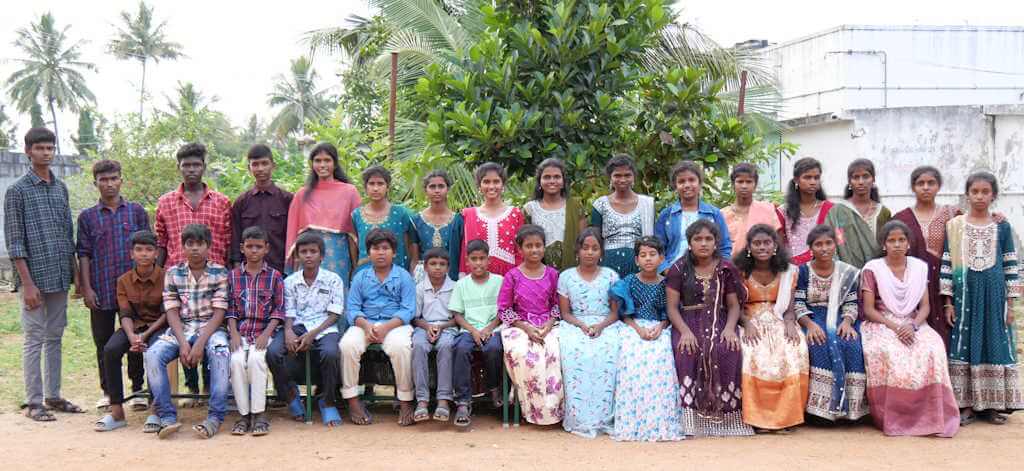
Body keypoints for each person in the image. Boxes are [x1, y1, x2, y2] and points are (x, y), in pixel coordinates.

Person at [4, 127, 82, 421]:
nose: (46, 153)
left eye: (50, 148)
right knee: (34, 337)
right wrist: (27, 283)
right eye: (40, 148)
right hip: (33, 279)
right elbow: (15, 242)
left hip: (59, 274)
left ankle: (54, 395)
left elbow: (67, 233)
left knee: (55, 337)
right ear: (28, 151)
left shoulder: (60, 188)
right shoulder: (17, 191)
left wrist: (74, 275)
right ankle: (34, 402)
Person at [860, 220, 959, 437]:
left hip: (914, 322)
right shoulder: (872, 269)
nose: (896, 244)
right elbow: (868, 310)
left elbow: (925, 307)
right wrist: (896, 327)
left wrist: (913, 326)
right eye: (891, 240)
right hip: (882, 322)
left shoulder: (918, 267)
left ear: (908, 243)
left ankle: (931, 415)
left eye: (901, 240)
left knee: (932, 347)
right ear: (883, 244)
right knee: (890, 352)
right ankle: (895, 417)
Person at [940, 172, 1023, 425]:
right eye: (974, 191)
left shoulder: (1002, 226)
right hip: (965, 297)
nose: (979, 196)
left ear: (993, 195)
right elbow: (947, 263)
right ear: (967, 194)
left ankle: (993, 404)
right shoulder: (954, 226)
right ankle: (966, 405)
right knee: (964, 346)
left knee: (994, 343)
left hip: (994, 296)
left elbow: (1011, 265)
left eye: (985, 192)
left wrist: (1010, 305)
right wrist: (948, 302)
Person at [154, 142, 232, 401]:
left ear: (204, 167)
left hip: (213, 278)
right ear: (179, 167)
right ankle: (191, 389)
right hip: (178, 281)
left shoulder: (221, 202)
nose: (191, 170)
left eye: (196, 165)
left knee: (211, 332)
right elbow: (161, 241)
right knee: (183, 330)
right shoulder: (165, 202)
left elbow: (228, 240)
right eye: (186, 165)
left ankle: (211, 389)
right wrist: (158, 275)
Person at [665, 219, 753, 437]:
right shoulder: (678, 268)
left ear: (716, 243)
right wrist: (684, 331)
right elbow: (672, 307)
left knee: (727, 349)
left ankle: (727, 420)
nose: (703, 243)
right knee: (687, 350)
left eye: (708, 239)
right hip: (687, 320)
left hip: (721, 318)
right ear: (689, 243)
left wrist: (731, 328)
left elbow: (733, 305)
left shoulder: (726, 268)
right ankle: (691, 422)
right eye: (698, 239)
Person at [144, 224, 230, 439]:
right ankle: (167, 417)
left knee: (221, 354)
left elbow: (219, 313)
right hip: (181, 329)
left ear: (208, 246)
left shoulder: (220, 272)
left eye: (199, 244)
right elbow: (171, 311)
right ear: (182, 247)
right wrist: (183, 343)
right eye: (189, 244)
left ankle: (215, 417)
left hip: (211, 329)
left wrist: (199, 343)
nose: (194, 249)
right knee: (153, 355)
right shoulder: (173, 273)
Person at [76, 159, 150, 411]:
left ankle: (138, 388)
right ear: (95, 183)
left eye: (113, 178)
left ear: (121, 180)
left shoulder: (136, 211)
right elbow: (84, 254)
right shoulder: (87, 217)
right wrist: (86, 288)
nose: (108, 184)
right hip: (102, 289)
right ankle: (109, 391)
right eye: (103, 180)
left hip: (134, 290)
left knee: (136, 337)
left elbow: (148, 247)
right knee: (104, 342)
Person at [733, 224, 808, 432]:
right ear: (749, 247)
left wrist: (791, 323)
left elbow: (790, 309)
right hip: (749, 320)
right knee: (752, 353)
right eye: (756, 243)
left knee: (794, 348)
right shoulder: (739, 272)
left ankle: (785, 417)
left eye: (767, 243)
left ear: (775, 245)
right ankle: (758, 419)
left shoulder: (788, 272)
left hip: (778, 319)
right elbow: (733, 306)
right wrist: (746, 324)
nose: (762, 247)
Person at [608, 237, 684, 442]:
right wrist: (638, 329)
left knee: (662, 358)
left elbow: (670, 312)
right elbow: (624, 314)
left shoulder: (667, 284)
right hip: (633, 327)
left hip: (660, 327)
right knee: (631, 357)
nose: (648, 259)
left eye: (652, 254)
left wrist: (660, 327)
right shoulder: (629, 282)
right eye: (643, 255)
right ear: (636, 260)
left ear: (662, 258)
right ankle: (632, 421)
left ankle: (661, 420)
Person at [267, 232, 344, 427]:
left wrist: (313, 334)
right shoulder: (290, 281)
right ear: (297, 256)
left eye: (313, 251)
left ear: (322, 256)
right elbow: (289, 311)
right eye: (304, 252)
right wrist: (288, 332)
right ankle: (291, 394)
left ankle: (327, 401)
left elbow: (335, 313)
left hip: (324, 327)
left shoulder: (333, 279)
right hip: (297, 325)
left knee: (330, 353)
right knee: (274, 352)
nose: (308, 256)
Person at [341, 228, 417, 426]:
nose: (381, 252)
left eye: (385, 248)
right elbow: (352, 309)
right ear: (369, 252)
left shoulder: (403, 276)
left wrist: (386, 327)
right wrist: (366, 326)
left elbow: (408, 309)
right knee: (348, 345)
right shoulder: (360, 277)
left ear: (394, 252)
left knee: (401, 348)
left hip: (396, 324)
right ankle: (352, 400)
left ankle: (405, 400)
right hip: (365, 323)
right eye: (376, 248)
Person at [793, 224, 868, 422]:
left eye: (828, 243)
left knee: (852, 345)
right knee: (818, 343)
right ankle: (820, 413)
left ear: (836, 245)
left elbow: (851, 302)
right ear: (811, 248)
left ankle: (851, 411)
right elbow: (798, 302)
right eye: (818, 244)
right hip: (811, 316)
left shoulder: (847, 272)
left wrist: (848, 322)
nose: (824, 248)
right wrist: (809, 325)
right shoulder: (803, 271)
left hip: (841, 317)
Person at [94, 231, 166, 432]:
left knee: (155, 352)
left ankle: (156, 410)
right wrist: (133, 336)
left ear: (156, 253)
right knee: (110, 350)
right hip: (132, 327)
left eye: (149, 250)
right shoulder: (123, 280)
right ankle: (117, 411)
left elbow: (167, 314)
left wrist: (145, 335)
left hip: (158, 327)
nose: (144, 254)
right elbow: (124, 313)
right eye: (139, 250)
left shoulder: (166, 277)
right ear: (131, 254)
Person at [557, 228, 621, 438]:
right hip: (575, 324)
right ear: (578, 250)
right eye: (585, 248)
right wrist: (582, 326)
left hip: (606, 323)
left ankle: (605, 417)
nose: (590, 253)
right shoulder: (566, 276)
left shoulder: (611, 275)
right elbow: (565, 313)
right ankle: (579, 417)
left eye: (595, 248)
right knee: (576, 352)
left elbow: (615, 312)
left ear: (601, 252)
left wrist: (601, 326)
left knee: (608, 351)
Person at [499, 225, 564, 425]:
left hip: (549, 324)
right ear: (520, 249)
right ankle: (530, 407)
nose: (534, 250)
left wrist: (549, 324)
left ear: (544, 248)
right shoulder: (512, 276)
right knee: (523, 353)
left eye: (538, 245)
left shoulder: (553, 274)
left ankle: (553, 409)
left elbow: (557, 305)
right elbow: (504, 308)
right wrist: (526, 327)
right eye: (529, 246)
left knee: (554, 351)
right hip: (520, 326)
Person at [891, 166, 961, 351]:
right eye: (920, 183)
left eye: (931, 183)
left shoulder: (953, 215)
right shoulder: (901, 218)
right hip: (915, 284)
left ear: (939, 186)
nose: (926, 187)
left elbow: (975, 223)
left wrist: (995, 217)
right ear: (913, 187)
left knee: (949, 327)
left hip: (947, 282)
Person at [227, 226, 286, 436]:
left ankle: (259, 413)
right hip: (241, 332)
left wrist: (267, 333)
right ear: (242, 248)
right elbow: (231, 310)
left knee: (256, 360)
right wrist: (233, 333)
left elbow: (279, 310)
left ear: (266, 249)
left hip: (264, 332)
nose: (254, 251)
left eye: (258, 247)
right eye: (249, 246)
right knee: (235, 361)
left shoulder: (274, 276)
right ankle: (243, 415)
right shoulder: (233, 276)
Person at [285, 142, 361, 284]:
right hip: (308, 255)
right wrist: (295, 268)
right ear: (312, 164)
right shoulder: (302, 194)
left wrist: (356, 266)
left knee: (337, 295)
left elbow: (354, 234)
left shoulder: (350, 192)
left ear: (335, 163)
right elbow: (295, 235)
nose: (322, 165)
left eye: (327, 160)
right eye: (317, 161)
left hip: (339, 257)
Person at [450, 239, 505, 427]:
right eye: (474, 259)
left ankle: (494, 388)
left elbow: (503, 311)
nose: (478, 263)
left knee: (494, 349)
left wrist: (489, 328)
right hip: (468, 329)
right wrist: (473, 330)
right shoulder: (461, 284)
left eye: (482, 258)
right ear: (467, 261)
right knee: (460, 349)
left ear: (489, 260)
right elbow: (457, 314)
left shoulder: (499, 281)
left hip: (493, 329)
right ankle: (463, 401)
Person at [656, 161, 732, 273]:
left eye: (691, 180)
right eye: (681, 181)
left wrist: (716, 272)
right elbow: (657, 249)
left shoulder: (714, 214)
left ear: (700, 183)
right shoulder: (667, 215)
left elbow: (724, 247)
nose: (687, 185)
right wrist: (667, 271)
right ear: (675, 186)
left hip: (707, 275)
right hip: (673, 274)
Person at [230, 144, 294, 273]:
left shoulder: (287, 200)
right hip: (249, 270)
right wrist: (237, 267)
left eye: (264, 163)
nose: (260, 169)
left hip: (280, 268)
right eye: (255, 164)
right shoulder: (241, 202)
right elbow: (236, 237)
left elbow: (293, 236)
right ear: (249, 168)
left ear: (273, 166)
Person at [589, 154, 655, 278]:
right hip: (607, 267)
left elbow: (652, 240)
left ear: (634, 176)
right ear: (610, 178)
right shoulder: (600, 204)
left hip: (640, 265)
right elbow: (595, 240)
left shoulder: (647, 203)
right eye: (617, 175)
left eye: (627, 175)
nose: (623, 180)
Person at [411, 248, 457, 423]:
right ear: (425, 267)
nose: (437, 268)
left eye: (442, 264)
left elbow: (457, 318)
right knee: (419, 346)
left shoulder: (455, 287)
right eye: (433, 264)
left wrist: (441, 326)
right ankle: (422, 400)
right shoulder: (420, 288)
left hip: (448, 328)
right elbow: (415, 318)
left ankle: (443, 400)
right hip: (423, 327)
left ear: (448, 267)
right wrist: (428, 326)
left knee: (446, 347)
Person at [824, 159, 892, 269]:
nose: (861, 182)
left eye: (866, 176)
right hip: (845, 274)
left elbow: (888, 246)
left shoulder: (883, 213)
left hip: (877, 273)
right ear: (849, 182)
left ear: (873, 179)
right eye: (856, 177)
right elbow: (830, 243)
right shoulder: (837, 212)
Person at [460, 162, 524, 276]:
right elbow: (464, 250)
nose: (491, 186)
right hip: (477, 278)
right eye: (486, 182)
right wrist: (463, 276)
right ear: (479, 186)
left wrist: (519, 278)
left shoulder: (515, 213)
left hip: (509, 277)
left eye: (496, 181)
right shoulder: (468, 214)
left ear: (503, 185)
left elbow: (520, 250)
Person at [352, 165, 418, 273]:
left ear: (388, 187)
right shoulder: (356, 215)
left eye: (380, 184)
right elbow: (353, 247)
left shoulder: (401, 213)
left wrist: (412, 269)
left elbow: (410, 244)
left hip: (396, 274)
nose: (376, 188)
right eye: (371, 184)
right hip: (364, 275)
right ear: (365, 187)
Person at [524, 158, 583, 271]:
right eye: (547, 177)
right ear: (539, 182)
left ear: (563, 181)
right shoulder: (530, 209)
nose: (552, 181)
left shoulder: (575, 207)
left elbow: (583, 242)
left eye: (557, 177)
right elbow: (525, 243)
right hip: (539, 272)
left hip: (572, 272)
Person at [777, 157, 833, 265]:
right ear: (796, 180)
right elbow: (778, 247)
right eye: (807, 177)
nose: (812, 182)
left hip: (824, 268)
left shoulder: (831, 209)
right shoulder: (783, 212)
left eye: (816, 178)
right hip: (793, 270)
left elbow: (840, 242)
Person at [411, 169, 462, 281]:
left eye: (441, 186)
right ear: (426, 190)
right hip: (423, 278)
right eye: (432, 187)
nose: (437, 191)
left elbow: (461, 254)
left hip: (451, 277)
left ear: (448, 189)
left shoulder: (458, 220)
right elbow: (414, 259)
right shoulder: (416, 220)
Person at [722, 163, 781, 254]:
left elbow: (778, 241)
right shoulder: (722, 214)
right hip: (730, 266)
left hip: (762, 265)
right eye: (740, 182)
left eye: (749, 182)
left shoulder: (767, 210)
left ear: (755, 185)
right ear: (733, 184)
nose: (744, 186)